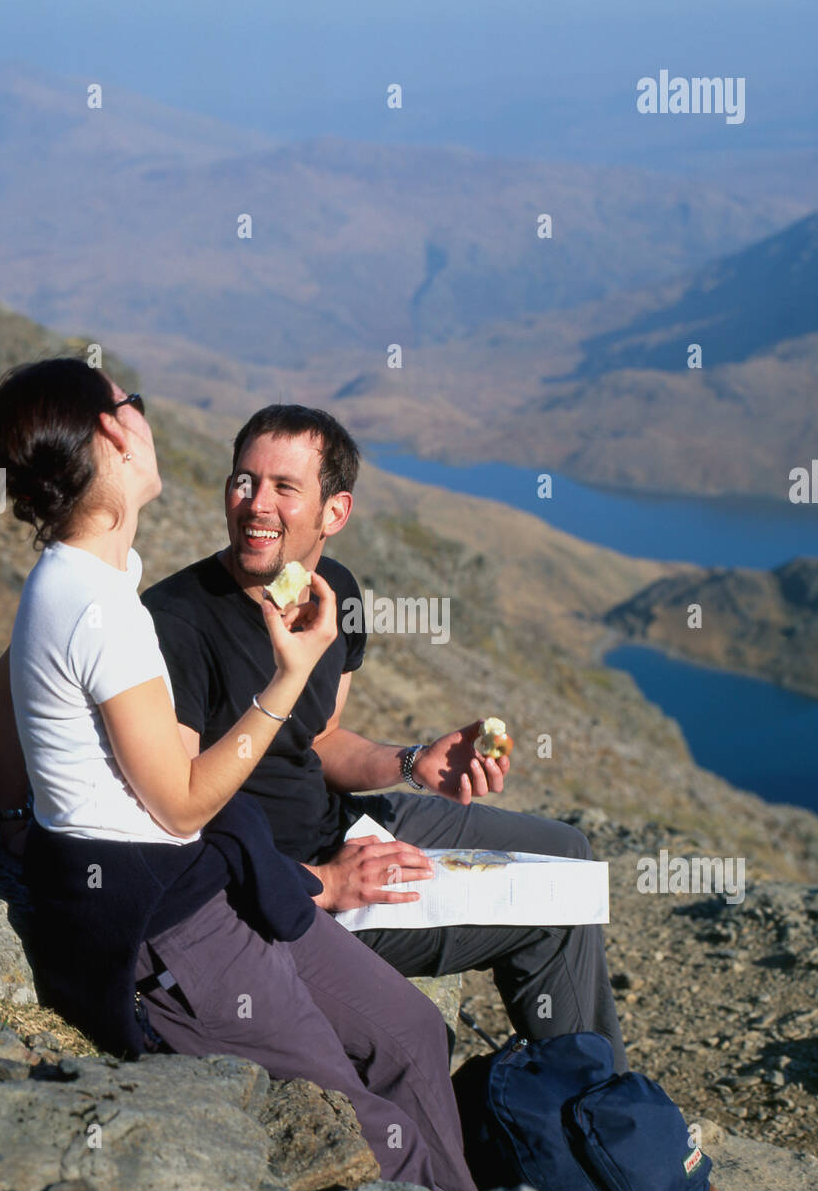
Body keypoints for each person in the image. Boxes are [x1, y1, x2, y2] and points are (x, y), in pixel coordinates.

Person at [0, 359, 476, 1191]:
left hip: (211, 886)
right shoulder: (102, 607)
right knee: (356, 1120)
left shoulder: (90, 580)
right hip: (175, 927)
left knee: (410, 1033)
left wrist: (25, 820)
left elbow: (5, 679)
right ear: (112, 434)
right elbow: (180, 800)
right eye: (131, 408)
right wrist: (287, 677)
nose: (145, 421)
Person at [142, 404, 627, 1069]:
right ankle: (589, 1122)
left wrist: (411, 761)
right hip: (286, 886)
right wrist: (317, 882)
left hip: (348, 824)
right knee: (556, 910)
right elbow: (174, 815)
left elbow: (321, 739)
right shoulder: (175, 623)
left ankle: (577, 1106)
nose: (254, 505)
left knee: (569, 853)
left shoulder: (333, 591)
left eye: (285, 488)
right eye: (243, 481)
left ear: (333, 512)